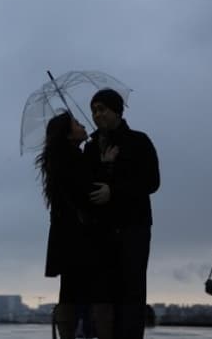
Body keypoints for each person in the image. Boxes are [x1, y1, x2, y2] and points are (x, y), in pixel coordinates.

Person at [83, 88, 160, 339]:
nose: (97, 115)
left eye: (102, 108)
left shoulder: (139, 141)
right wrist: (104, 167)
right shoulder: (91, 147)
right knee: (106, 291)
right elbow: (88, 186)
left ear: (117, 110)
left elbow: (151, 181)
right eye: (94, 110)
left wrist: (113, 191)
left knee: (132, 290)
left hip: (133, 227)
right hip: (102, 229)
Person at [38, 111, 117, 339]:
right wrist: (107, 166)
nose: (83, 124)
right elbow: (89, 193)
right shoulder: (72, 160)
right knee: (99, 291)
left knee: (70, 292)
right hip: (82, 237)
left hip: (68, 238)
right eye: (76, 123)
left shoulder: (62, 159)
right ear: (67, 135)